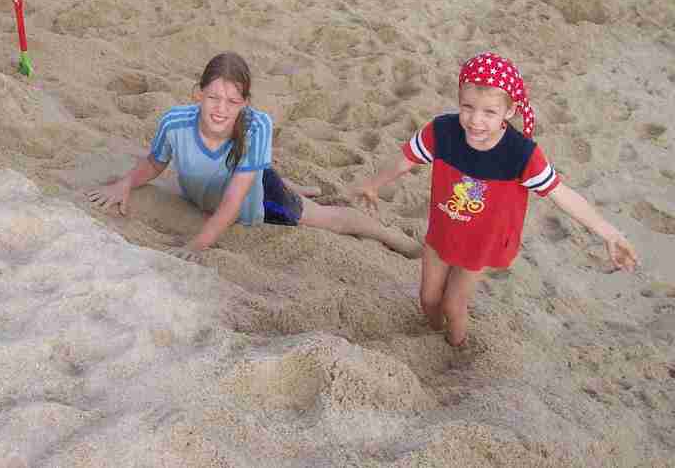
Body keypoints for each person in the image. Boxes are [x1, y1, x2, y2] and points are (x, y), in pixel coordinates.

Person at [352, 51, 638, 347]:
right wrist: (373, 185)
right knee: (428, 298)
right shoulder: (442, 131)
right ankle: (432, 337)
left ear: (509, 111)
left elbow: (562, 194)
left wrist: (609, 233)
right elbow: (405, 160)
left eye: (489, 112)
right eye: (467, 107)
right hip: (443, 230)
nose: (475, 121)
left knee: (453, 305)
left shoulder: (521, 154)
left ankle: (455, 345)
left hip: (482, 242)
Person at [87, 52, 422, 260]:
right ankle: (293, 184)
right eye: (213, 98)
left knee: (321, 215)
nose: (221, 109)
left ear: (244, 103)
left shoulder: (256, 125)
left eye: (232, 102)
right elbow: (154, 162)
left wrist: (197, 244)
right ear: (198, 94)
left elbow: (235, 200)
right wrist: (123, 184)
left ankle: (388, 235)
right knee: (257, 169)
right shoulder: (174, 122)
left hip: (256, 199)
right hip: (217, 187)